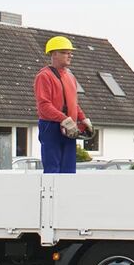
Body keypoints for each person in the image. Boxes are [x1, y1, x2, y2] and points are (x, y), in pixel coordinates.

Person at [35, 36, 91, 174]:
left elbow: (73, 103)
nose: (70, 55)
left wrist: (83, 118)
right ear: (54, 54)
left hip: (69, 126)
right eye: (65, 52)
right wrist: (64, 119)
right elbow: (44, 106)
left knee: (69, 170)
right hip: (51, 126)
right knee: (53, 169)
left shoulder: (70, 77)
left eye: (70, 53)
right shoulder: (44, 76)